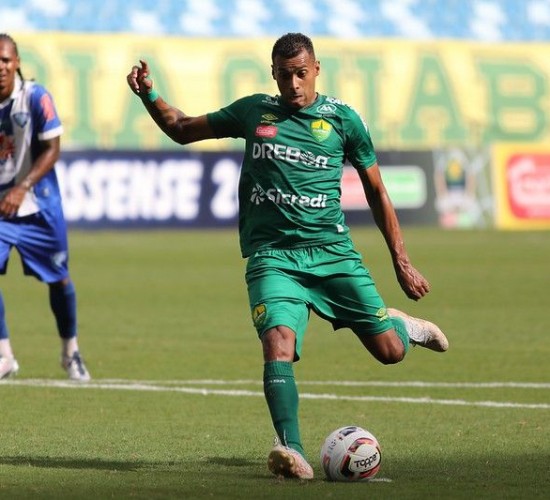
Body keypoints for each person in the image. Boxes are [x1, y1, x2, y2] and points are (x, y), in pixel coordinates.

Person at [126, 32, 448, 480]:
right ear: (273, 74)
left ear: (316, 69)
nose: (294, 84)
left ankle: (399, 325)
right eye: (285, 75)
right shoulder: (254, 111)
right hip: (273, 256)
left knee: (390, 353)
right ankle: (290, 448)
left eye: (301, 73)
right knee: (277, 342)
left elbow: (376, 190)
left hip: (333, 253)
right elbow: (181, 129)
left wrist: (402, 261)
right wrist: (150, 94)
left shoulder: (344, 121)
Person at [0, 34, 90, 382]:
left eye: (6, 60)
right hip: (2, 209)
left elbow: (52, 148)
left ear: (17, 61)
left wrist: (21, 188)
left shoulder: (35, 97)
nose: (1, 67)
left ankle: (70, 351)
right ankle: (4, 355)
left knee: (59, 278)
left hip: (39, 206)